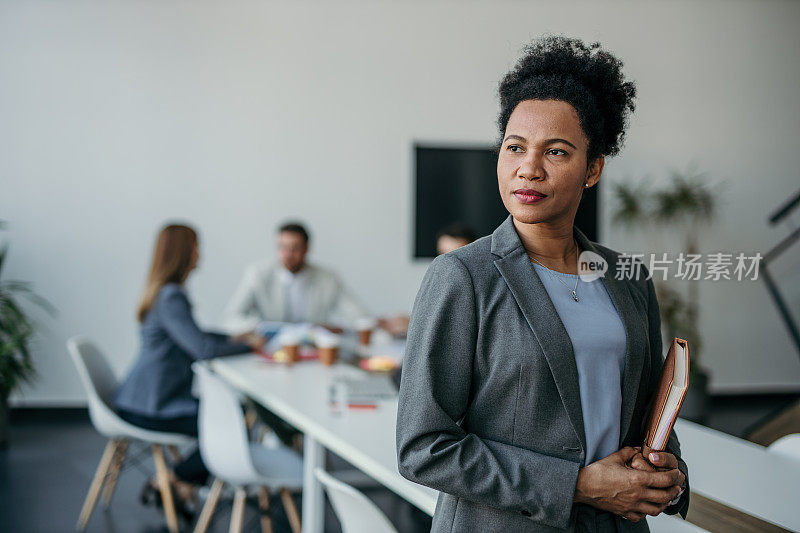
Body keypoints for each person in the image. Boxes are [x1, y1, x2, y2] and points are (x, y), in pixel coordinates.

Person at [397, 36, 689, 532]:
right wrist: (578, 483)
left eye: (556, 151)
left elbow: (646, 413)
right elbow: (424, 448)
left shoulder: (628, 277)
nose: (528, 168)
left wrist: (667, 471)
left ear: (593, 169)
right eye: (515, 147)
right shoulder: (463, 277)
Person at [114, 224, 263, 513]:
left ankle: (181, 485)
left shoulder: (165, 292)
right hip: (151, 407)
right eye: (196, 247)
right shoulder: (171, 296)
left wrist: (233, 338)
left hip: (143, 399)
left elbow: (194, 335)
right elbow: (202, 349)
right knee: (234, 422)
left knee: (232, 417)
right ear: (182, 253)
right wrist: (250, 346)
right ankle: (174, 479)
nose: (200, 254)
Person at [223, 222, 370, 332]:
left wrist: (336, 327)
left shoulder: (327, 278)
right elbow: (230, 319)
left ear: (307, 249)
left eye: (294, 248)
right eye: (282, 247)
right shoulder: (257, 274)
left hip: (315, 353)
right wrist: (267, 328)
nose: (287, 254)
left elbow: (358, 315)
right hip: (270, 351)